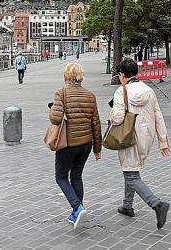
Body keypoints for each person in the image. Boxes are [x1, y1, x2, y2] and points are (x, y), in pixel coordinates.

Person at [110, 58, 171, 230]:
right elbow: (158, 116)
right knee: (131, 169)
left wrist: (111, 114)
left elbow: (117, 117)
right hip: (146, 137)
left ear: (122, 75)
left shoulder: (121, 92)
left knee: (131, 175)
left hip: (128, 137)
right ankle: (127, 205)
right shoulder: (149, 90)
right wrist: (163, 141)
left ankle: (157, 205)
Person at [49, 63, 102, 230]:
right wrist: (97, 148)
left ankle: (77, 207)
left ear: (66, 76)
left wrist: (52, 109)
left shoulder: (61, 93)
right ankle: (76, 212)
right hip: (86, 144)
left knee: (61, 177)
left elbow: (56, 119)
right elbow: (96, 123)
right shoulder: (90, 95)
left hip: (68, 144)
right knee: (77, 176)